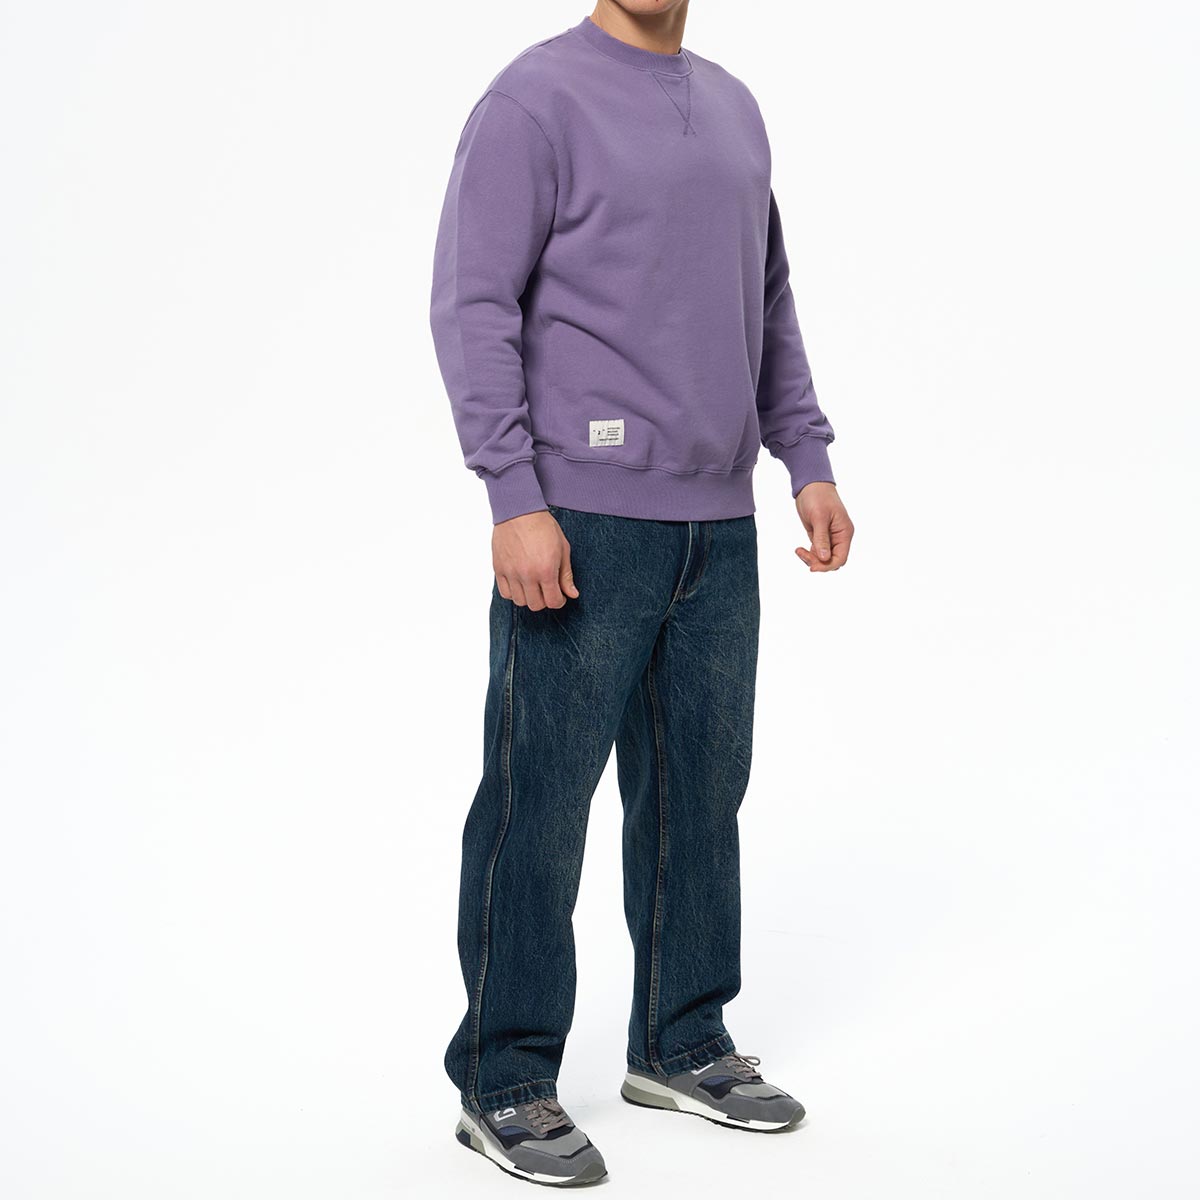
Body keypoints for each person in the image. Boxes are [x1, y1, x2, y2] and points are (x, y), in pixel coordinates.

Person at [429, 2, 854, 1185]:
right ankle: (502, 1079)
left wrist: (806, 457)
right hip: (581, 516)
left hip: (718, 523)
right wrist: (513, 497)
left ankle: (681, 1041)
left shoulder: (734, 107)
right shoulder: (533, 100)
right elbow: (472, 303)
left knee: (699, 797)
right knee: (539, 803)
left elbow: (766, 298)